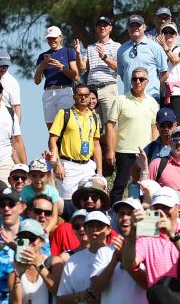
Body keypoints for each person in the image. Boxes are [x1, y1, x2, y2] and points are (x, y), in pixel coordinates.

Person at [105, 67, 160, 203]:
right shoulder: (121, 99)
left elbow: (154, 128)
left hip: (145, 153)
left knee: (146, 187)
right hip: (124, 151)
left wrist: (153, 151)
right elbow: (110, 126)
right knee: (119, 187)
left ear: (147, 81)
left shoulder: (152, 102)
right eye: (134, 79)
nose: (137, 82)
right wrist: (110, 150)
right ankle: (114, 217)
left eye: (141, 79)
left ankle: (143, 219)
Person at [76, 17, 121, 167]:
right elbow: (82, 67)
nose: (102, 28)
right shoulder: (90, 47)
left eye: (105, 25)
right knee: (91, 123)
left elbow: (118, 67)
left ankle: (111, 154)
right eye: (99, 25)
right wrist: (77, 53)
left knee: (110, 123)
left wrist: (104, 57)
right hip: (92, 89)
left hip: (108, 86)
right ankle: (92, 156)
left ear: (110, 28)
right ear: (96, 28)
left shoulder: (116, 46)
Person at [48, 83, 102, 198]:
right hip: (68, 165)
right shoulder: (64, 114)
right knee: (67, 202)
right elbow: (52, 141)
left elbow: (96, 145)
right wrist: (57, 164)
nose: (83, 98)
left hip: (88, 165)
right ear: (74, 97)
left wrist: (99, 172)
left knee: (90, 200)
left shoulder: (94, 117)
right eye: (79, 95)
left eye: (86, 95)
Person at [34, 26, 80, 130]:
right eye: (49, 38)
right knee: (51, 128)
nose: (52, 40)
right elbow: (37, 81)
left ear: (60, 37)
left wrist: (62, 67)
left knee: (67, 126)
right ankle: (55, 147)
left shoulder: (68, 51)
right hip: (48, 92)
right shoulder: (42, 56)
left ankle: (65, 146)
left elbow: (76, 76)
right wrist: (42, 66)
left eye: (54, 38)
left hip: (64, 90)